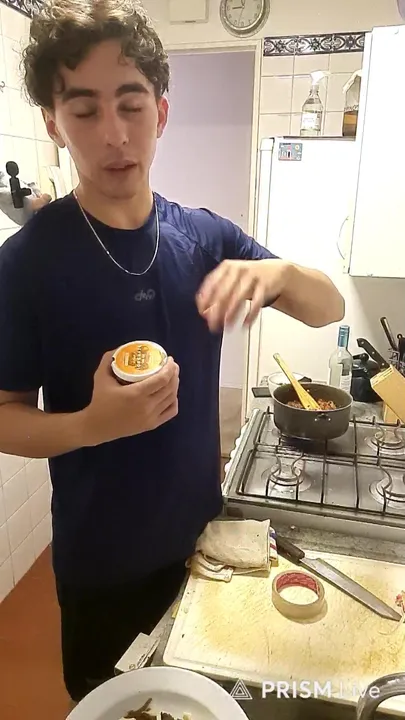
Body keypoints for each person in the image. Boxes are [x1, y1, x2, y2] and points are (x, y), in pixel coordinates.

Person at [0, 0, 345, 704]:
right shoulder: (26, 264)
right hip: (100, 567)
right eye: (85, 110)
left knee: (202, 707)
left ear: (160, 113)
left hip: (202, 549)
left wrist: (281, 273)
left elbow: (328, 308)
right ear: (53, 123)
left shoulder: (205, 238)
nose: (114, 134)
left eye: (131, 106)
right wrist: (91, 425)